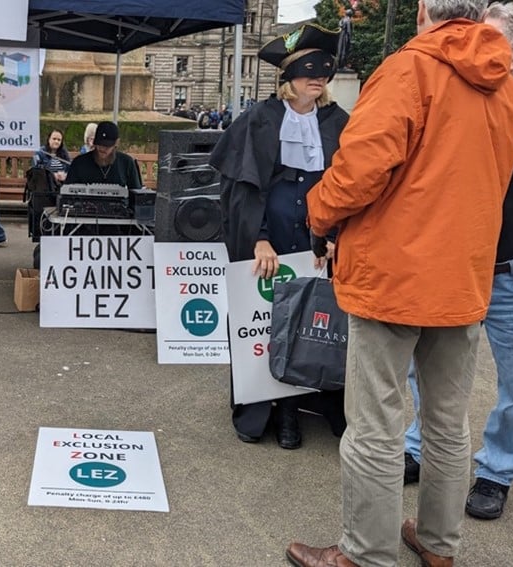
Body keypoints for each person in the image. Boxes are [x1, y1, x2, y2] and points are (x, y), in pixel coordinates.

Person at [285, 1, 513, 565]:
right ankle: (440, 546)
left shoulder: (407, 70)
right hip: (462, 277)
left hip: (393, 274)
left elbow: (358, 171)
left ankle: (365, 554)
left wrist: (318, 213)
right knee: (447, 422)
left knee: (375, 425)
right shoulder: (505, 88)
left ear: (423, 11)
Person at [402, 2, 513, 523]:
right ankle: (417, 448)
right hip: (454, 267)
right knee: (428, 371)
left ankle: (496, 472)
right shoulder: (464, 92)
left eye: (486, 38)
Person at [208, 23, 349, 450]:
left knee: (315, 322)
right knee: (265, 320)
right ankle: (268, 408)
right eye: (308, 70)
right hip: (271, 236)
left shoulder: (338, 121)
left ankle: (306, 403)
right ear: (288, 76)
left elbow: (347, 185)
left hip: (317, 237)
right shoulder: (260, 119)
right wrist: (259, 238)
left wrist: (331, 235)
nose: (317, 78)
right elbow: (241, 189)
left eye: (323, 71)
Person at [64, 121, 142, 189]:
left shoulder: (126, 162)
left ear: (116, 143)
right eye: (99, 144)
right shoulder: (79, 163)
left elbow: (136, 194)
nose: (102, 148)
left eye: (107, 146)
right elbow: (67, 192)